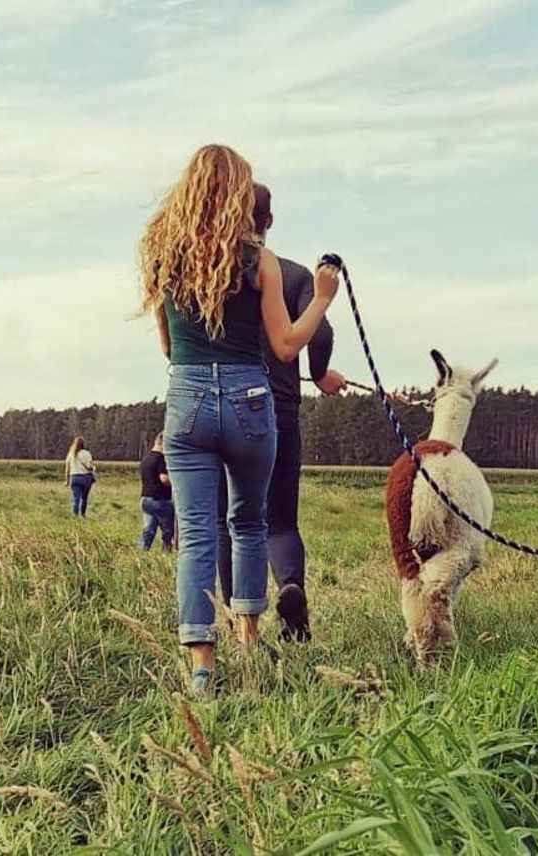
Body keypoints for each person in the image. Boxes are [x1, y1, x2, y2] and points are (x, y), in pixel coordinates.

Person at [138, 143, 340, 696]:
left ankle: (203, 665)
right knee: (249, 523)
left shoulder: (162, 257)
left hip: (187, 398)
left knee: (199, 533)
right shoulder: (259, 262)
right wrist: (321, 297)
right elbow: (285, 343)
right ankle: (249, 639)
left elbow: (165, 345)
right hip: (252, 400)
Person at [217, 183, 346, 642]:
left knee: (225, 523)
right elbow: (321, 330)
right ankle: (290, 585)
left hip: (221, 404)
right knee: (281, 519)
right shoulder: (292, 276)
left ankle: (239, 624)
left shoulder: (211, 272)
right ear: (269, 221)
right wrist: (321, 371)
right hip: (280, 408)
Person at [139, 432, 175, 551]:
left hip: (146, 499)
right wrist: (175, 483)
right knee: (168, 531)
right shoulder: (161, 459)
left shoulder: (145, 459)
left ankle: (142, 550)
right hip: (161, 500)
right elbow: (164, 479)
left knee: (148, 529)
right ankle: (166, 551)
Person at [64, 436, 96, 516]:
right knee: (84, 498)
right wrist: (94, 467)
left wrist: (67, 480)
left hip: (74, 478)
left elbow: (67, 468)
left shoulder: (71, 454)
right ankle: (83, 515)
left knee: (76, 499)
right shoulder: (87, 453)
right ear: (83, 444)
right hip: (86, 479)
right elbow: (89, 467)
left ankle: (75, 516)